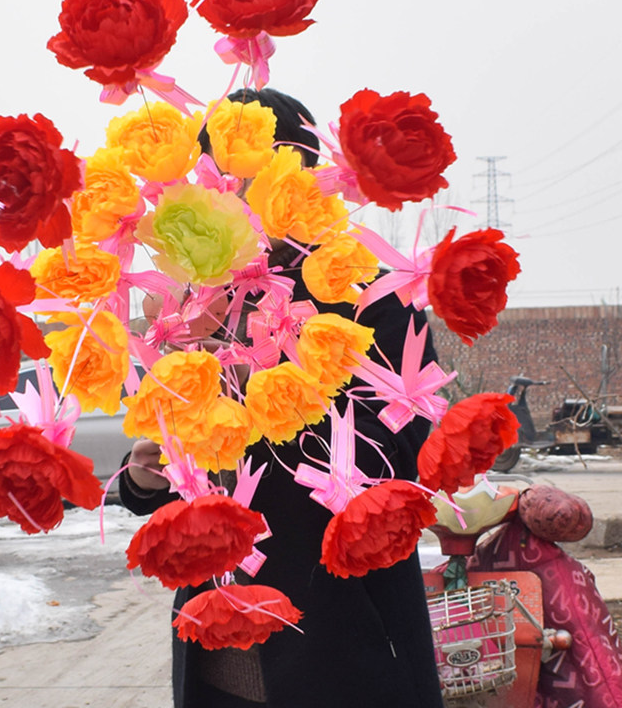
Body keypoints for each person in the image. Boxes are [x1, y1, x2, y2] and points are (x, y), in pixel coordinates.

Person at [120, 88, 445, 708]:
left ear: (306, 175)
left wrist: (272, 406)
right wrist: (148, 475)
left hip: (342, 628)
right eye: (216, 174)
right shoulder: (193, 304)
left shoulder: (365, 292)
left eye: (252, 171)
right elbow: (178, 453)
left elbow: (409, 449)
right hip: (221, 644)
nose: (231, 191)